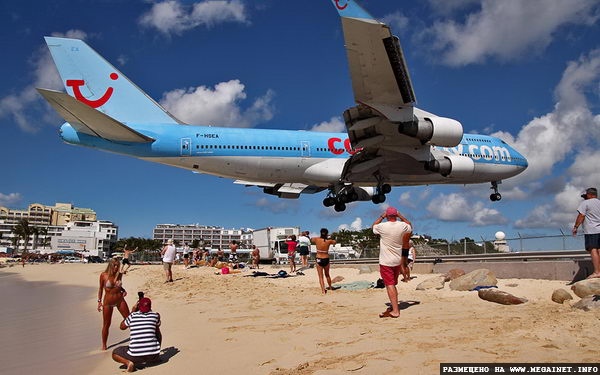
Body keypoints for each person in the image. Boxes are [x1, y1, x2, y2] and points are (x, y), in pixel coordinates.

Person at [372, 206, 412, 319]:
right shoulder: (402, 226)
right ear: (396, 215)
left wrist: (381, 216)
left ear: (387, 216)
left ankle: (395, 310)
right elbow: (409, 225)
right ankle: (394, 305)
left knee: (390, 285)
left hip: (386, 261)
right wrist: (401, 216)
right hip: (397, 260)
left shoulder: (383, 226)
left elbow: (374, 226)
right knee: (393, 284)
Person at [112, 297, 162, 372]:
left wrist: (132, 311)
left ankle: (128, 363)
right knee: (156, 330)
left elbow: (122, 327)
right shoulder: (155, 315)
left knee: (115, 353)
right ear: (150, 306)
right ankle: (156, 357)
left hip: (136, 356)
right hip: (153, 355)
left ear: (139, 306)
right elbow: (158, 327)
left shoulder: (133, 316)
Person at [98, 258, 130, 350]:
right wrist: (99, 301)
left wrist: (123, 290)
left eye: (117, 266)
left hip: (120, 300)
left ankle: (137, 338)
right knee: (106, 324)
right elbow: (100, 289)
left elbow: (118, 286)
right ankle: (104, 345)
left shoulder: (119, 275)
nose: (116, 268)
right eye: (114, 265)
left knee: (129, 320)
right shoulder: (103, 275)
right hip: (107, 303)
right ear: (110, 265)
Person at [572, 187, 600, 279]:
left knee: (593, 249)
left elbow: (581, 215)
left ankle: (597, 272)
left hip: (592, 230)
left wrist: (576, 227)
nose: (585, 198)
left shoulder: (585, 203)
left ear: (589, 195)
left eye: (585, 196)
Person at [311, 228, 336, 294]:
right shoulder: (329, 241)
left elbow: (311, 239)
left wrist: (321, 236)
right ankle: (330, 287)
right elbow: (334, 242)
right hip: (326, 258)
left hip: (319, 258)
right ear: (327, 234)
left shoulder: (317, 239)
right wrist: (328, 237)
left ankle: (323, 290)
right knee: (327, 275)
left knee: (320, 276)